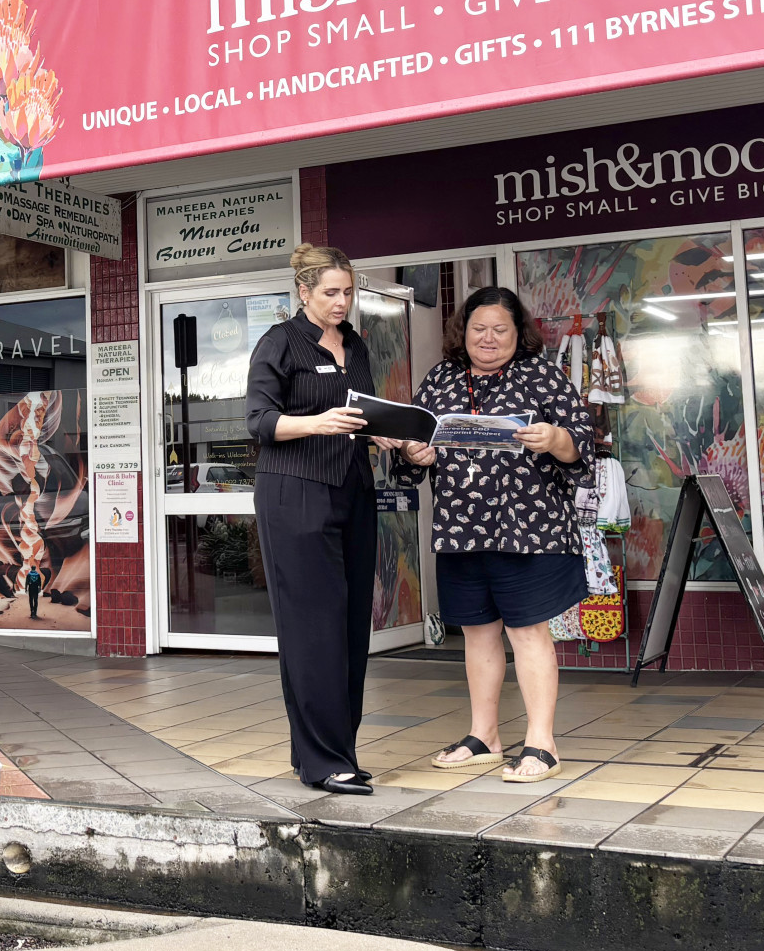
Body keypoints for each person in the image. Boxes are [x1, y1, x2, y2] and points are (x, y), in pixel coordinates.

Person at [391, 286, 594, 783]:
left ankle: (541, 744)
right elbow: (417, 442)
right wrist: (414, 454)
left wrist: (555, 439)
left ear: (517, 333)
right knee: (477, 634)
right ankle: (485, 736)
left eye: (500, 329)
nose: (488, 338)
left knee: (527, 633)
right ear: (464, 331)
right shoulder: (442, 377)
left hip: (531, 531)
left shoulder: (541, 374)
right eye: (479, 328)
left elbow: (582, 442)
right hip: (462, 530)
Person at [245, 243, 394, 796]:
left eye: (348, 291)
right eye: (330, 292)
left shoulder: (355, 345)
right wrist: (316, 422)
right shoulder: (279, 342)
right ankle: (323, 761)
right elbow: (259, 421)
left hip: (352, 489)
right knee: (314, 628)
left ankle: (336, 751)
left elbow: (363, 413)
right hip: (295, 493)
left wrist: (388, 433)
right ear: (303, 292)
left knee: (352, 625)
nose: (341, 301)